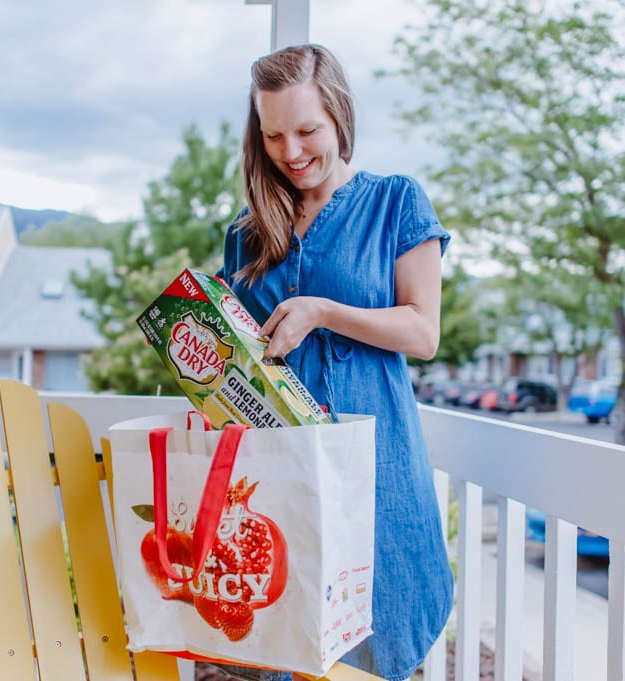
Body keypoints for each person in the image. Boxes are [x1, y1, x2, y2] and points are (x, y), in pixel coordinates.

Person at [215, 44, 454, 681]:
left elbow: (422, 331)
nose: (290, 152)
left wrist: (323, 311)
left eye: (306, 131)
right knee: (278, 646)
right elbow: (232, 349)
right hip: (273, 482)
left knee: (370, 657)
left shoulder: (395, 203)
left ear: (340, 119)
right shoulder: (247, 229)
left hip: (375, 482)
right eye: (273, 136)